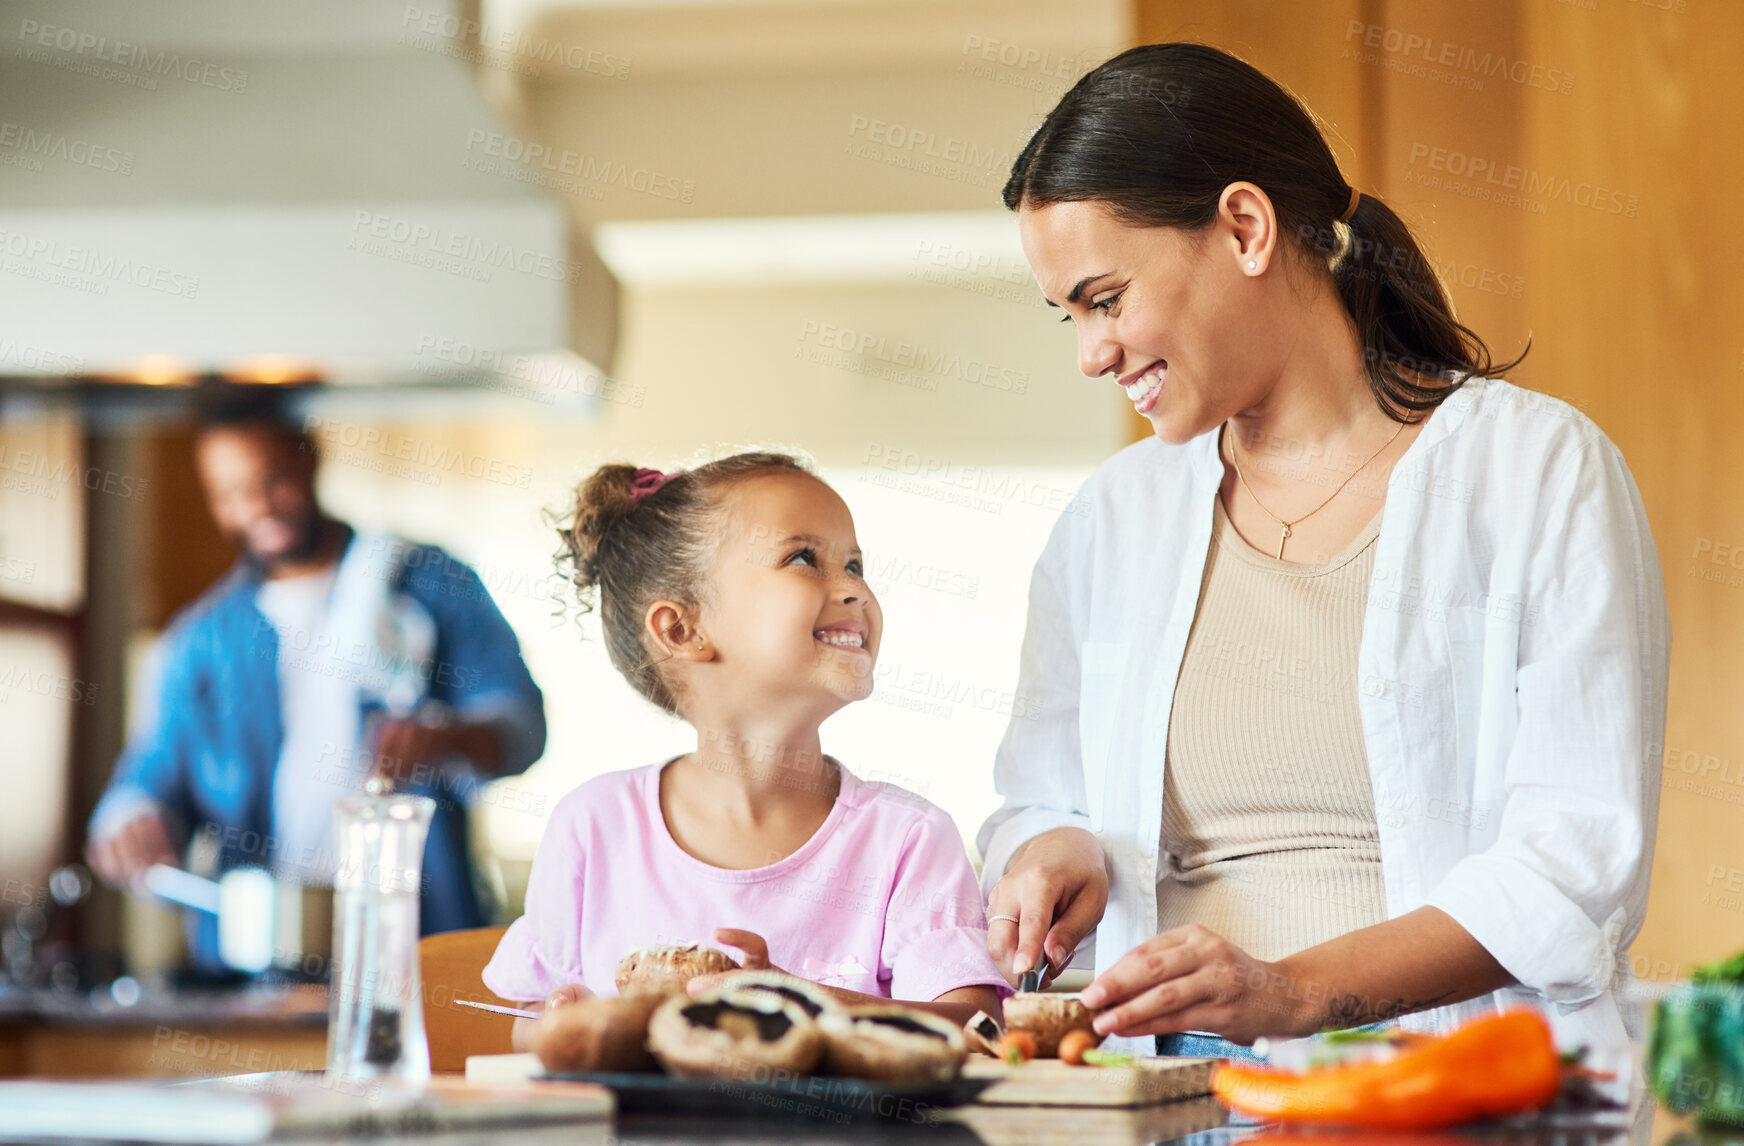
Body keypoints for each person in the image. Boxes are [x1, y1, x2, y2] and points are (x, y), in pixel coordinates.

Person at [976, 44, 1669, 1062]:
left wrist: (1291, 992)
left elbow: (1572, 861)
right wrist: (1053, 849)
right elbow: (1040, 794)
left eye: (1105, 297)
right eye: (1069, 315)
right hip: (1166, 1100)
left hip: (1436, 1085)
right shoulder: (1112, 518)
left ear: (1245, 229)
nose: (1090, 352)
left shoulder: (1534, 469)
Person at [482, 453, 1006, 1049]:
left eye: (856, 564)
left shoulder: (908, 838)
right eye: (804, 558)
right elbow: (529, 1024)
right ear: (682, 630)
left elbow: (976, 1030)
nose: (856, 589)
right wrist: (569, 1023)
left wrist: (795, 1001)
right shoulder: (592, 825)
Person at [86, 389, 547, 976]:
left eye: (271, 480)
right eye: (229, 494)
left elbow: (524, 728)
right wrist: (131, 818)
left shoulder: (430, 582)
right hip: (253, 962)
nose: (257, 507)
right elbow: (149, 775)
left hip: (419, 947)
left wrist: (449, 738)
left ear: (310, 458)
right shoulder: (200, 642)